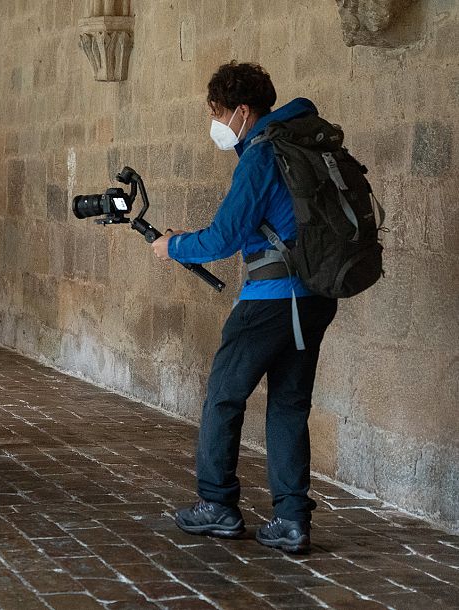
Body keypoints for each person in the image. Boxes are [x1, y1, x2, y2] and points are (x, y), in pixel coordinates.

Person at [151, 62, 337, 553]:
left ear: (240, 110)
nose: (215, 124)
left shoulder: (261, 154)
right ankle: (292, 519)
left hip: (270, 302)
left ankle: (217, 505)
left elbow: (225, 235)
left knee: (223, 397)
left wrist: (173, 245)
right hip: (314, 298)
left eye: (216, 113)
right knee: (288, 406)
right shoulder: (300, 143)